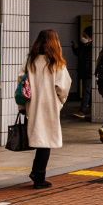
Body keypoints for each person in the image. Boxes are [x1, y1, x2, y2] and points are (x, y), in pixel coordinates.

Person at [19, 28, 71, 188]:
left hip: (32, 105)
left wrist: (22, 105)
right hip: (49, 106)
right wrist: (60, 102)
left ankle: (37, 173)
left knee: (41, 139)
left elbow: (22, 82)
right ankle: (38, 175)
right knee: (46, 141)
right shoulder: (57, 63)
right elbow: (63, 87)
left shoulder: (30, 61)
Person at [72, 25, 95, 120]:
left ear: (90, 37)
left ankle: (83, 111)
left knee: (86, 91)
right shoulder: (85, 46)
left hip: (89, 73)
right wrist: (74, 47)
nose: (83, 37)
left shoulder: (92, 47)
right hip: (84, 72)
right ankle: (88, 108)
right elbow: (79, 53)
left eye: (85, 35)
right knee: (88, 91)